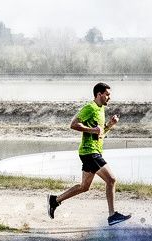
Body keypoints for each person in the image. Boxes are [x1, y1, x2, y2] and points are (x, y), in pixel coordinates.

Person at [48, 82, 131, 225]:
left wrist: (110, 125)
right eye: (107, 95)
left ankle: (55, 200)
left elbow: (100, 132)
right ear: (99, 94)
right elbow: (73, 124)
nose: (109, 98)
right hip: (89, 152)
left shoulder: (101, 110)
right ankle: (112, 216)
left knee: (84, 187)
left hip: (93, 151)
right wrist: (93, 130)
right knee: (111, 180)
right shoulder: (90, 108)